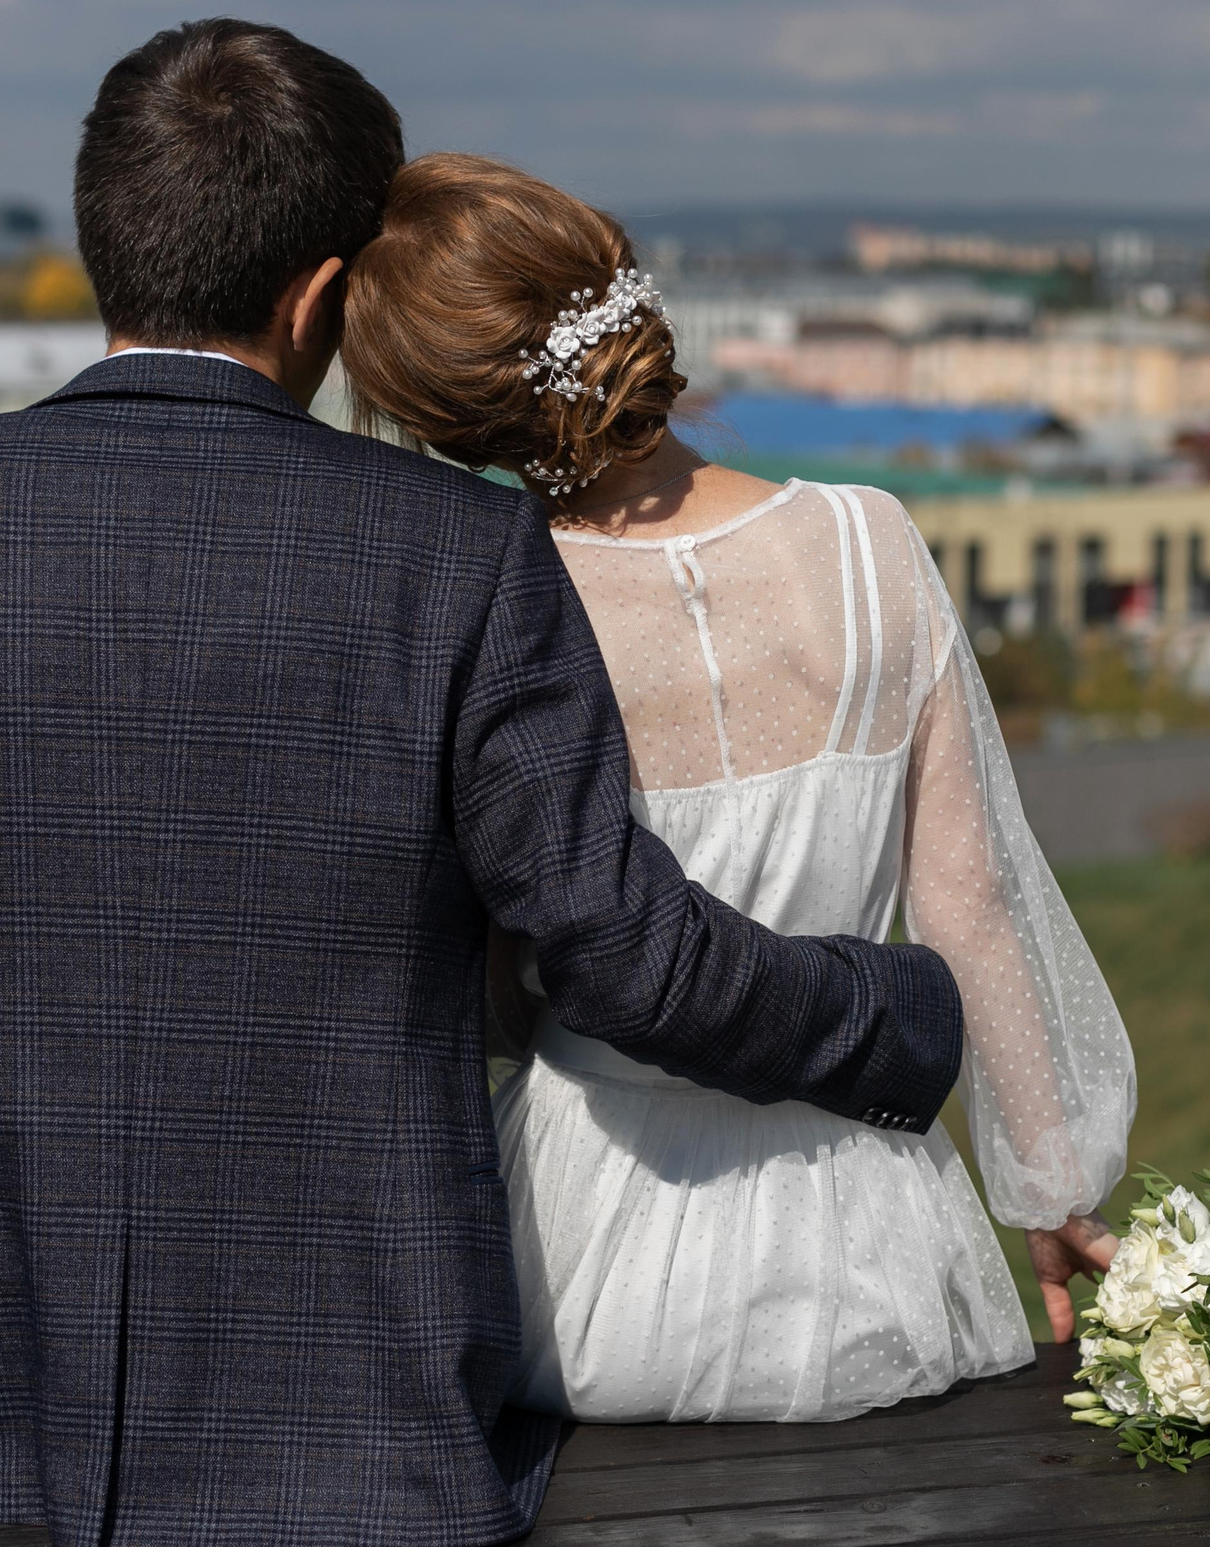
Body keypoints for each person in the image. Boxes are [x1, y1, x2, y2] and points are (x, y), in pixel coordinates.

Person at [0, 22, 966, 1547]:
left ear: (105, 240)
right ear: (322, 294)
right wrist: (898, 1017)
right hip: (365, 1434)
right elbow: (620, 952)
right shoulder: (458, 552)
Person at [342, 155, 1136, 1423]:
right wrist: (1051, 1191)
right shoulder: (872, 541)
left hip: (592, 1230)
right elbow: (970, 901)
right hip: (869, 1214)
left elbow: (498, 966)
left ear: (446, 420)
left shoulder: (493, 604)